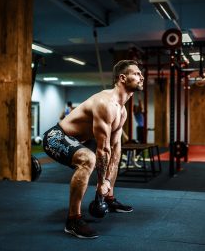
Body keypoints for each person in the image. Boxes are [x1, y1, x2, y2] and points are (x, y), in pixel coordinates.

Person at [42, 60, 144, 239]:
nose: (141, 76)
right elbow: (103, 150)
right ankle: (73, 220)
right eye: (136, 73)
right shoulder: (105, 103)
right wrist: (100, 183)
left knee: (118, 149)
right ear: (122, 78)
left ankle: (109, 199)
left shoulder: (122, 111)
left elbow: (113, 148)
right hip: (56, 137)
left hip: (77, 140)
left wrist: (105, 189)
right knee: (89, 158)